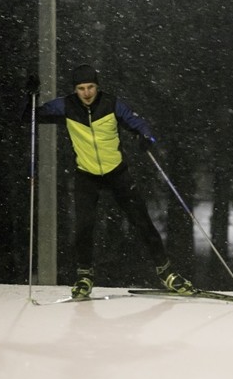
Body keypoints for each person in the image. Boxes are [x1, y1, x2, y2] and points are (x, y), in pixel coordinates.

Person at [30, 64, 193, 298]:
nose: (86, 93)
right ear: (75, 89)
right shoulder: (66, 106)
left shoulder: (111, 104)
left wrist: (146, 136)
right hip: (86, 175)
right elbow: (31, 116)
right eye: (81, 88)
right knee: (84, 228)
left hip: (117, 173)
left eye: (91, 87)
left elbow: (137, 123)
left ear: (97, 87)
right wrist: (30, 96)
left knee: (142, 222)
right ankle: (84, 277)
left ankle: (168, 274)